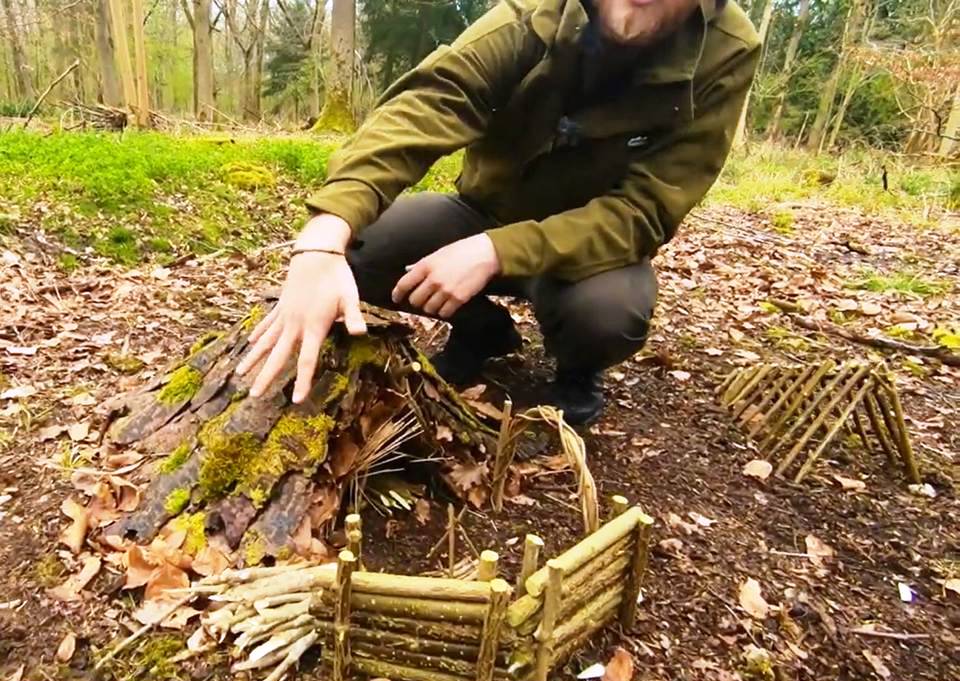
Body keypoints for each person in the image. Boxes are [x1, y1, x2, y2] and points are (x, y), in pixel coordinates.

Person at [237, 0, 760, 425]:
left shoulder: (726, 52)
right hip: (481, 210)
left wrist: (498, 251)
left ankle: (576, 369)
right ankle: (482, 329)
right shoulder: (536, 11)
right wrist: (327, 229)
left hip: (590, 251)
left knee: (608, 315)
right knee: (358, 250)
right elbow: (437, 99)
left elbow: (645, 209)